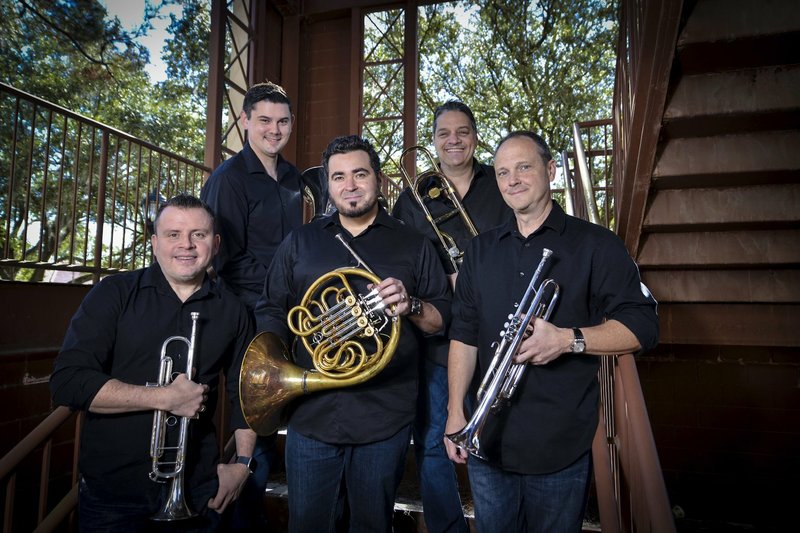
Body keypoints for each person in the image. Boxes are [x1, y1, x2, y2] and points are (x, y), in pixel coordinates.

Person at [443, 131, 659, 532]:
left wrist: (566, 339)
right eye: (503, 171)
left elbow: (642, 326)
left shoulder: (596, 245)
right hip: (488, 441)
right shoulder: (479, 251)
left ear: (551, 170)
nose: (513, 180)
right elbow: (465, 334)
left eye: (524, 167)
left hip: (559, 443)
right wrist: (456, 411)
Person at [254, 134, 452, 532]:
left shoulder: (414, 245)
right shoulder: (301, 242)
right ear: (328, 184)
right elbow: (272, 309)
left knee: (372, 525)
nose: (350, 185)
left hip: (384, 414)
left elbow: (442, 320)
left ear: (377, 179)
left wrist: (410, 304)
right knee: (307, 525)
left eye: (360, 174)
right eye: (339, 176)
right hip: (312, 414)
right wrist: (273, 368)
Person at [50, 193, 257, 532]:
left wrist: (243, 462)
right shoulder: (113, 293)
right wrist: (164, 397)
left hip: (196, 490)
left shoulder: (233, 311)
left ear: (215, 244)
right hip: (113, 497)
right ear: (154, 242)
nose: (186, 245)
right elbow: (68, 382)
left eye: (199, 235)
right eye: (173, 234)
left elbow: (245, 393)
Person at [391, 100, 511, 532]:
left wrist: (479, 278)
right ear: (434, 139)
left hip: (496, 335)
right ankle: (448, 528)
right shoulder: (411, 199)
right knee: (432, 439)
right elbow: (400, 261)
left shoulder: (501, 185)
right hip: (437, 339)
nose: (453, 140)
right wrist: (446, 280)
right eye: (444, 133)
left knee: (495, 435)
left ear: (475, 136)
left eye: (462, 132)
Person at [200, 80, 303, 526]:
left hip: (293, 313)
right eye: (263, 120)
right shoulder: (228, 179)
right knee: (254, 423)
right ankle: (242, 520)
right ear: (245, 122)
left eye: (281, 121)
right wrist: (281, 293)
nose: (273, 130)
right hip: (250, 316)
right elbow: (226, 262)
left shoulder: (296, 178)